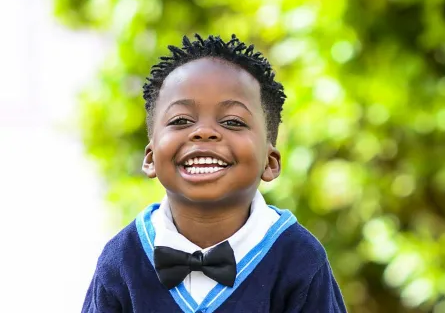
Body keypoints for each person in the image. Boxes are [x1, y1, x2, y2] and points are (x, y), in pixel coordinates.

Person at [82, 34, 347, 313]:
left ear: (269, 162)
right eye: (181, 120)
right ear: (150, 159)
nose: (204, 132)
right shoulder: (123, 258)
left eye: (232, 122)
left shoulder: (299, 257)